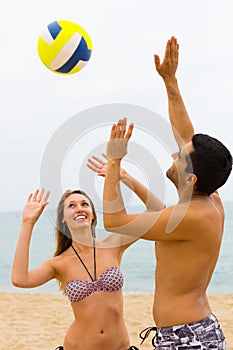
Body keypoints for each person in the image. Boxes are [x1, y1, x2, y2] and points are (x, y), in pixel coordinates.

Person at [102, 37, 232, 349]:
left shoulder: (190, 215)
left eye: (179, 157)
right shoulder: (207, 199)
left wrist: (113, 161)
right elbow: (186, 134)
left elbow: (114, 221)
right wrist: (171, 82)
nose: (174, 155)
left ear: (191, 179)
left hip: (186, 338)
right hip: (191, 332)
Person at [12, 156, 164, 350]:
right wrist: (27, 223)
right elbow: (20, 279)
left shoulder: (114, 245)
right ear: (64, 219)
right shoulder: (59, 263)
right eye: (72, 205)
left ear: (92, 215)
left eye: (84, 204)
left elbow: (157, 210)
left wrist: (125, 177)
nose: (79, 209)